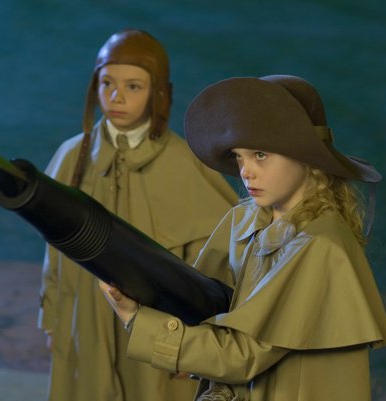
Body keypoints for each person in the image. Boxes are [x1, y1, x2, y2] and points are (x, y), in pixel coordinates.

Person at [101, 75, 386, 401]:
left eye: (260, 155)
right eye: (239, 156)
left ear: (306, 157)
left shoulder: (321, 247)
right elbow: (202, 301)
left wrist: (136, 319)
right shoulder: (243, 220)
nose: (245, 171)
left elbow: (242, 355)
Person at [38, 29, 237, 401]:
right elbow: (54, 250)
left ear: (157, 93)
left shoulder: (185, 165)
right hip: (86, 324)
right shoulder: (71, 157)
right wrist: (52, 319)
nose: (116, 97)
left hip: (161, 334)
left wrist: (201, 342)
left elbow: (215, 266)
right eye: (107, 83)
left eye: (133, 86)